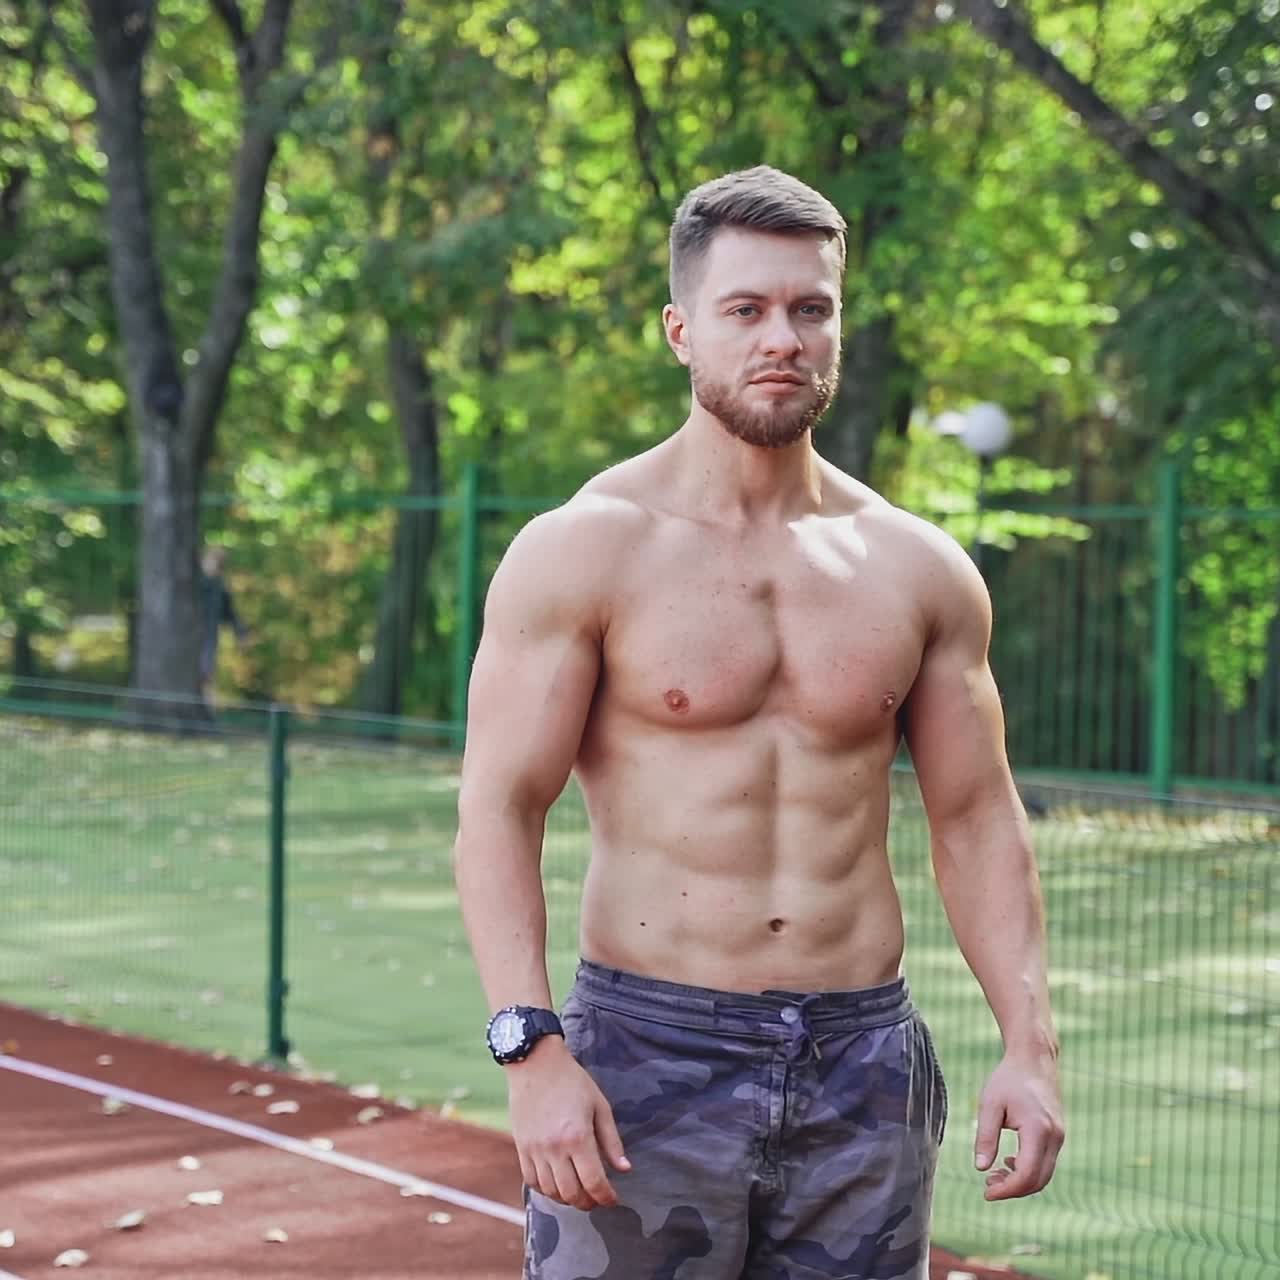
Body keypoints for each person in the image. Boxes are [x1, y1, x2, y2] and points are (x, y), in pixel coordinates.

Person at [454, 165, 1063, 1279]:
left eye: (808, 308)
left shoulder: (915, 566)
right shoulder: (586, 547)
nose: (780, 336)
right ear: (680, 330)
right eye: (745, 309)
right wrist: (528, 1046)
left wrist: (1029, 1043)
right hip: (645, 1054)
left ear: (835, 324)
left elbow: (976, 817)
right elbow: (497, 806)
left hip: (861, 1066)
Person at [198, 545, 249, 705]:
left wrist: (240, 632)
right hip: (189, 638)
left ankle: (206, 710)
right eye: (211, 561)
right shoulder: (192, 584)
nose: (213, 566)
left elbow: (230, 614)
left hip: (208, 638)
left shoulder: (220, 589)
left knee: (206, 674)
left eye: (217, 563)